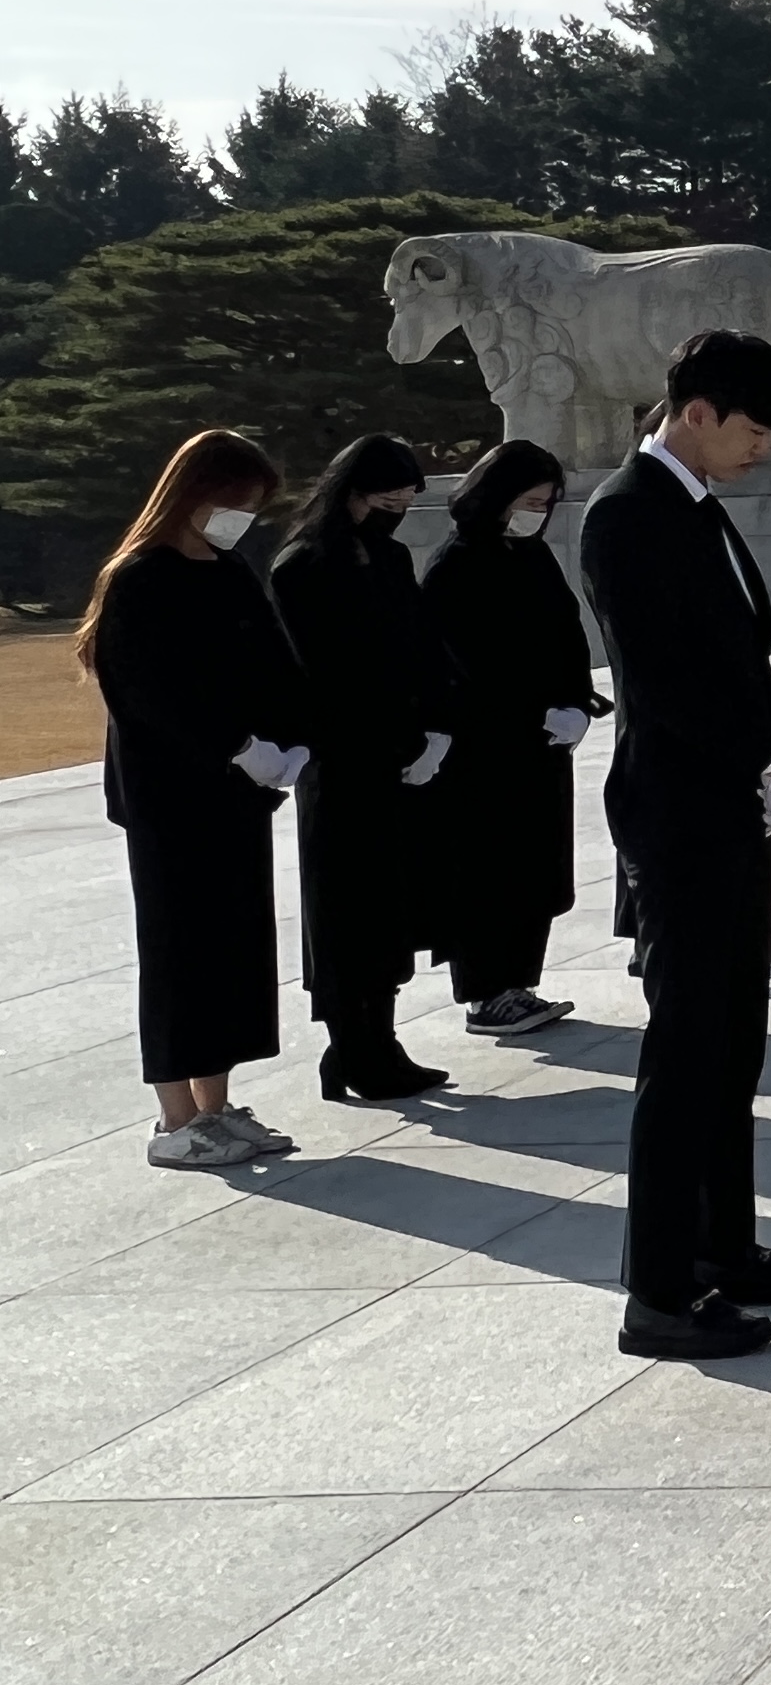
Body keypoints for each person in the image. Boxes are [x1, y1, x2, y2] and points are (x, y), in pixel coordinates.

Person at [580, 328, 771, 1362]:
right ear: (695, 412)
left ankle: (724, 1243)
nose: (764, 447)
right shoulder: (627, 515)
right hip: (679, 816)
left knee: (734, 1046)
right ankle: (657, 1291)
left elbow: (742, 656)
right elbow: (663, 679)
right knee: (682, 1054)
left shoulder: (702, 513)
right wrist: (761, 757)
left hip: (734, 807)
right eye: (754, 428)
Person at [82, 430, 308, 1169]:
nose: (241, 517)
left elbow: (276, 662)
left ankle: (218, 1104)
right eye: (235, 503)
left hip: (239, 795)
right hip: (173, 797)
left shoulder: (230, 569)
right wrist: (235, 748)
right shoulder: (140, 578)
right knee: (180, 950)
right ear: (195, 495)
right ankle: (176, 1118)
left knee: (232, 950)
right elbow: (151, 694)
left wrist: (288, 738)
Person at [271, 434, 458, 1102]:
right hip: (346, 764)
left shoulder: (390, 555)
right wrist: (397, 737)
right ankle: (353, 1045)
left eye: (409, 499)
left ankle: (376, 1038)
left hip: (402, 761)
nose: (399, 510)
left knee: (389, 913)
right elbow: (326, 676)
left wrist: (435, 727)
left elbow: (420, 646)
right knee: (348, 913)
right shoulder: (303, 566)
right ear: (351, 493)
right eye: (389, 498)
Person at [418, 438, 601, 1044]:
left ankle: (519, 980)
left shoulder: (532, 555)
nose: (536, 514)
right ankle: (484, 991)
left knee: (534, 863)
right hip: (488, 745)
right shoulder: (457, 564)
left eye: (546, 503)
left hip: (544, 741)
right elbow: (468, 662)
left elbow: (568, 633)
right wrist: (535, 711)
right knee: (487, 867)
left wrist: (576, 700)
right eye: (527, 501)